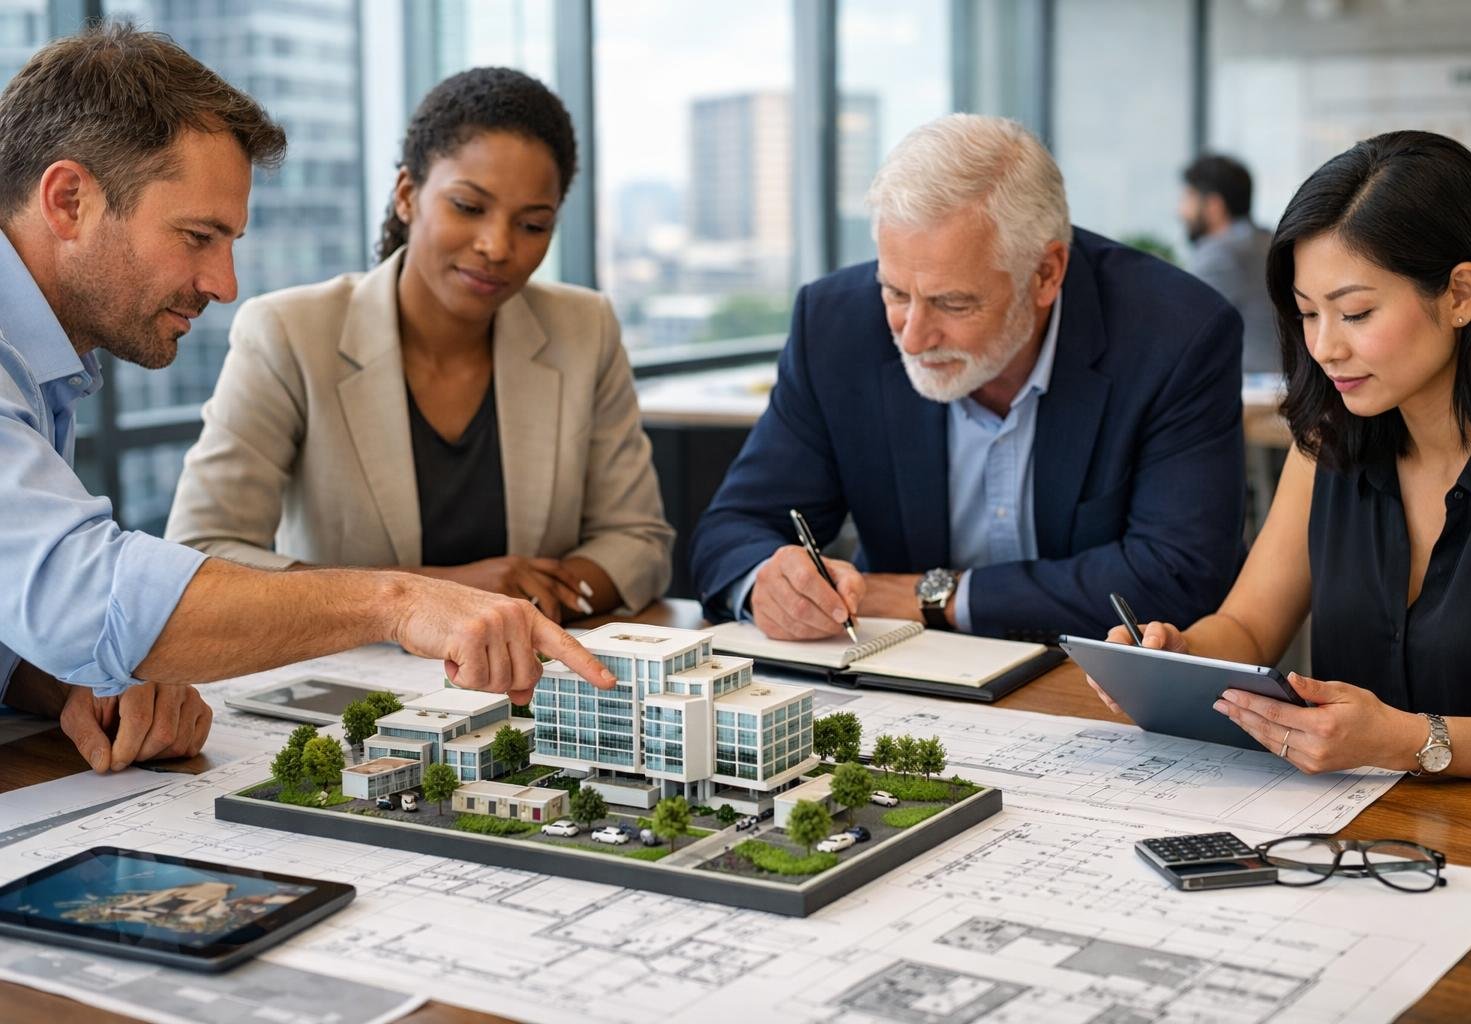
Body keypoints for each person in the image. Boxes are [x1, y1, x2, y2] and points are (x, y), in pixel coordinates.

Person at [0, 26, 615, 775]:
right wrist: (396, 601)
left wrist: (71, 680)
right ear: (68, 200)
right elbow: (82, 586)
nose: (224, 284)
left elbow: (26, 603)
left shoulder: (41, 365)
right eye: (198, 236)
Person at [690, 114, 1247, 643]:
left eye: (952, 303)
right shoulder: (836, 325)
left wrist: (938, 597)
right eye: (895, 292)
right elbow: (733, 530)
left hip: (1095, 685)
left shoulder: (1175, 334)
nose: (912, 337)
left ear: (1046, 274)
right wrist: (768, 581)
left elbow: (1178, 575)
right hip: (899, 671)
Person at [1090, 131, 1471, 782]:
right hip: (1352, 840)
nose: (1324, 349)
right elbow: (1246, 628)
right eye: (1307, 314)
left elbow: (1397, 740)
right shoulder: (1329, 442)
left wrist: (1408, 740)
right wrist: (1180, 653)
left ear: (1462, 294)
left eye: (1355, 313)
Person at [165, 68, 672, 622]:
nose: (497, 246)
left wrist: (519, 609)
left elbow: (638, 541)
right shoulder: (289, 333)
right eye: (469, 207)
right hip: (353, 689)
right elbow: (203, 553)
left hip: (533, 681)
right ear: (408, 195)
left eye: (531, 225)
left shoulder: (584, 328)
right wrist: (435, 597)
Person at [1180, 154, 1280, 373]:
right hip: (1288, 381)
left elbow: (1180, 330)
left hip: (1251, 385)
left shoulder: (1219, 255)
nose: (1181, 211)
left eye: (1188, 198)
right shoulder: (1269, 240)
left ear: (1214, 206)